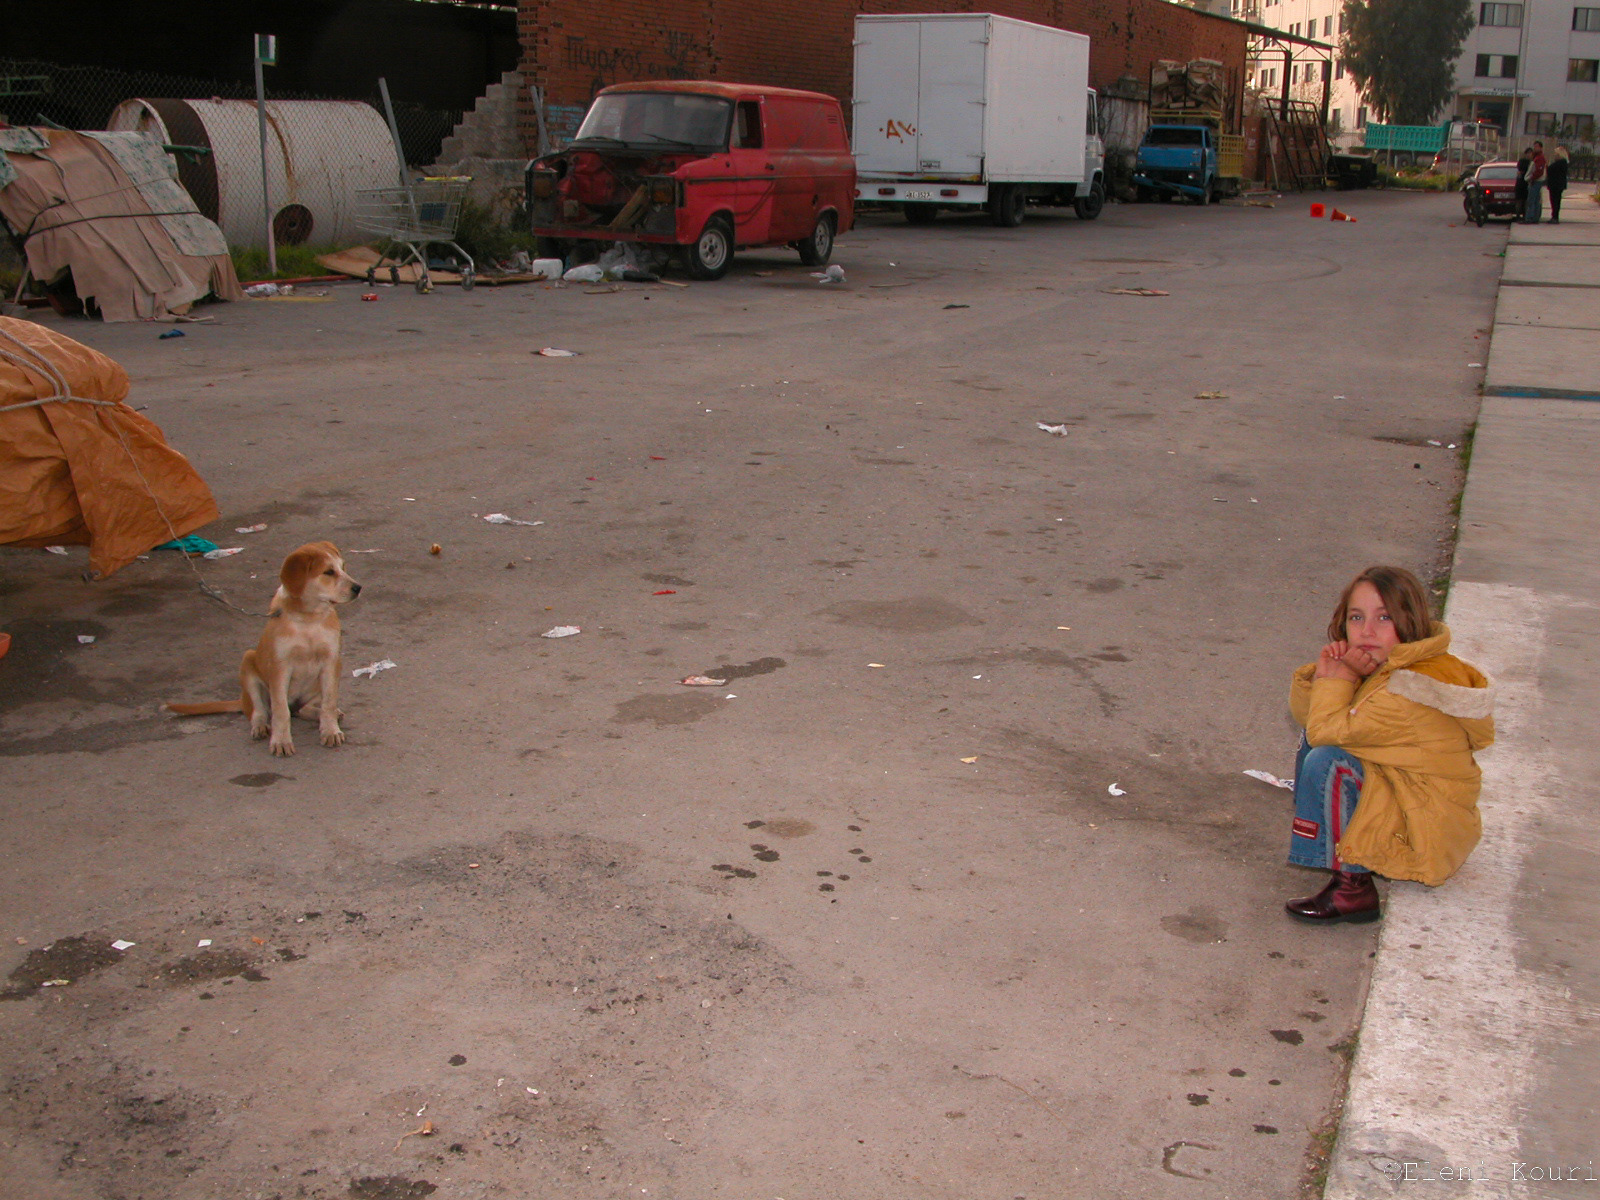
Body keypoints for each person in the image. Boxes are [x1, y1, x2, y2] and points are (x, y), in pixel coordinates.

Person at [1283, 566, 1494, 924]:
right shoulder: (1394, 665)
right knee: (1319, 742)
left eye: (1384, 617)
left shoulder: (1409, 688)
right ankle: (1333, 842)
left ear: (1409, 621)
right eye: (1356, 617)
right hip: (1412, 799)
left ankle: (1353, 889)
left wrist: (1341, 678)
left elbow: (1324, 733)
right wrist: (1326, 675)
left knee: (1329, 761)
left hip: (1425, 832)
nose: (1367, 631)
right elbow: (1312, 720)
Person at [1524, 140, 1547, 223]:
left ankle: (1530, 218)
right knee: (1536, 200)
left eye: (1537, 146)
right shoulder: (1536, 157)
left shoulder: (1540, 158)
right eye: (1534, 146)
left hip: (1536, 181)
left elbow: (1539, 171)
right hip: (1536, 181)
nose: (1535, 148)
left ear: (1541, 148)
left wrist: (1531, 178)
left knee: (1532, 200)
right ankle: (1534, 218)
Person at [1547, 145, 1569, 223]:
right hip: (1558, 185)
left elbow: (1549, 169)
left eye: (1556, 154)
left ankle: (1555, 217)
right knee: (1556, 201)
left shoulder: (1560, 163)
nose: (1555, 156)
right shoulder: (1564, 163)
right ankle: (1555, 216)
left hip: (1555, 185)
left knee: (1555, 201)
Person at [1513, 146, 1532, 217]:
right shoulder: (1525, 162)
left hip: (1526, 183)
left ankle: (1524, 215)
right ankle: (1519, 215)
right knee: (1520, 201)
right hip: (1521, 183)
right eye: (1528, 153)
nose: (1529, 155)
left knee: (1525, 201)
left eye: (1530, 153)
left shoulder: (1532, 162)